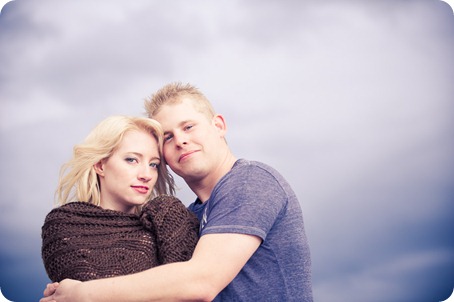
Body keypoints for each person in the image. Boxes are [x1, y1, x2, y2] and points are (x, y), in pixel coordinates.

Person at [41, 83, 313, 302]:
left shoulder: (249, 181)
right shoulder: (188, 218)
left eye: (189, 126)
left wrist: (81, 294)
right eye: (168, 137)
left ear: (218, 126)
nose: (181, 140)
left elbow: (201, 282)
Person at [41, 115, 199, 283]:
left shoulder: (167, 218)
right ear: (100, 165)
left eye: (153, 164)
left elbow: (187, 287)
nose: (146, 175)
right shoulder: (65, 225)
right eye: (132, 160)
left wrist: (169, 211)